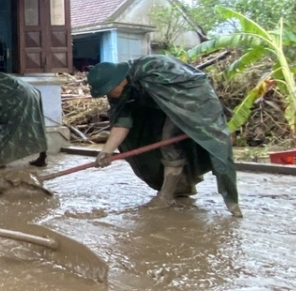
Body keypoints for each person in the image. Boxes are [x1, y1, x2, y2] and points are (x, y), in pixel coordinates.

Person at [87, 55, 241, 217]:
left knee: (173, 142)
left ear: (118, 82)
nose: (108, 95)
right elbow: (122, 123)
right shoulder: (119, 93)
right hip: (160, 109)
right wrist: (106, 151)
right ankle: (182, 187)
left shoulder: (152, 69)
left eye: (108, 91)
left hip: (192, 101)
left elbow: (182, 95)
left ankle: (167, 197)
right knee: (159, 139)